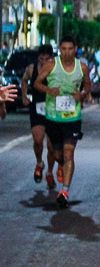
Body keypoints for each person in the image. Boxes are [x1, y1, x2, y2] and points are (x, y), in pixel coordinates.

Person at [34, 36, 92, 208]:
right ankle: (60, 165)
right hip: (53, 117)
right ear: (60, 49)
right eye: (63, 49)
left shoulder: (82, 68)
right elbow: (36, 83)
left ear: (75, 49)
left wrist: (81, 94)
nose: (66, 52)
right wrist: (48, 90)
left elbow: (88, 86)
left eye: (70, 49)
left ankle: (64, 192)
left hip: (73, 118)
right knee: (57, 154)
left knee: (69, 153)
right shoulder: (51, 65)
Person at [22, 45, 57, 186]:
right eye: (41, 58)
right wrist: (24, 96)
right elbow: (24, 80)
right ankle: (39, 163)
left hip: (53, 109)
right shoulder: (31, 69)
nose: (44, 61)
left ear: (52, 58)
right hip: (37, 107)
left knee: (51, 146)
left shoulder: (56, 69)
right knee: (38, 140)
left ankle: (49, 172)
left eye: (47, 58)